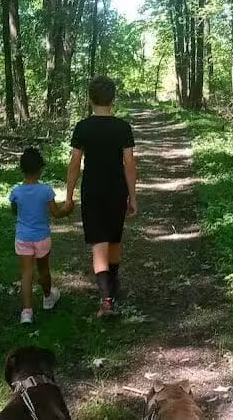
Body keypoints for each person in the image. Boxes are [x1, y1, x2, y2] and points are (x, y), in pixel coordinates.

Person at [66, 76, 138, 318]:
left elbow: (75, 163)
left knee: (99, 242)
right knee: (114, 239)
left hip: (92, 190)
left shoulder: (82, 127)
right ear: (113, 99)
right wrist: (133, 197)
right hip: (117, 190)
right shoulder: (123, 127)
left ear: (90, 99)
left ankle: (106, 299)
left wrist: (69, 195)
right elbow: (129, 164)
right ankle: (113, 285)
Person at [10, 147, 74, 324]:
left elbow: (14, 210)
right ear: (40, 169)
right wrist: (67, 210)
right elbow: (56, 213)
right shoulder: (46, 190)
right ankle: (47, 298)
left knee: (26, 274)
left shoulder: (16, 192)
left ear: (22, 169)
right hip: (41, 237)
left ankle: (27, 312)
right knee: (44, 269)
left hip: (23, 237)